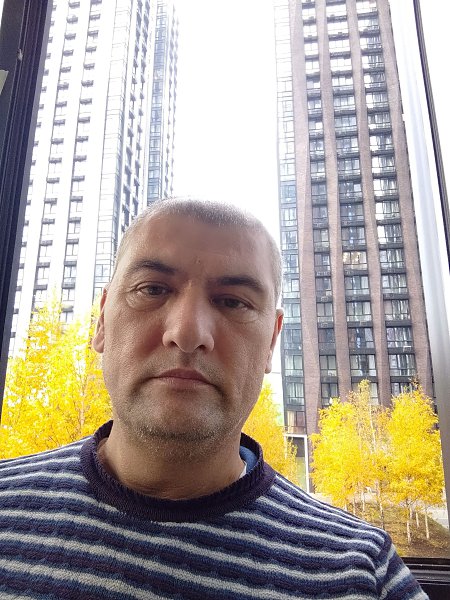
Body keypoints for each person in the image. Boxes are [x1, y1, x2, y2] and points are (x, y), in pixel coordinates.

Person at [0, 199, 427, 599]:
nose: (187, 333)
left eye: (232, 302)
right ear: (102, 323)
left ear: (271, 341)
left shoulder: (361, 570)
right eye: (152, 289)